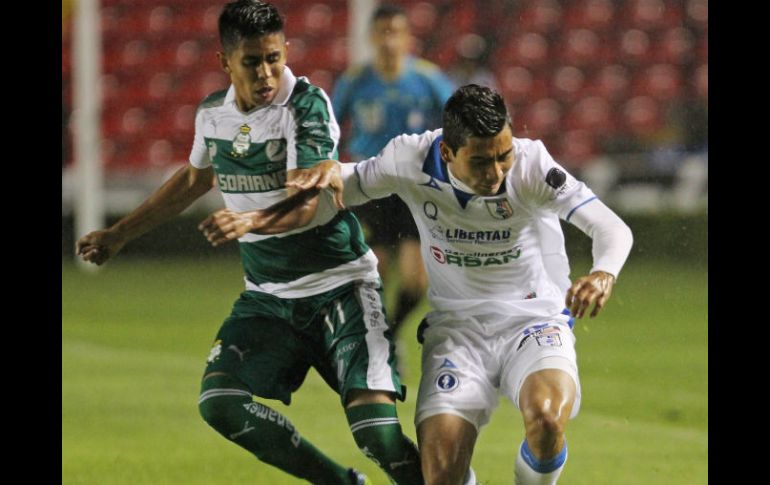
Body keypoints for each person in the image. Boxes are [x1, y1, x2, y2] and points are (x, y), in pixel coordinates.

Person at [203, 84, 633, 484]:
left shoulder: (533, 165)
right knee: (439, 474)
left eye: (503, 155)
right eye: (482, 161)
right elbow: (346, 186)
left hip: (533, 320)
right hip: (457, 330)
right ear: (447, 151)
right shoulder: (409, 160)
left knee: (546, 420)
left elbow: (611, 229)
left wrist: (603, 272)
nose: (498, 171)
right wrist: (264, 215)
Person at [75, 2, 424, 484]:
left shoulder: (306, 104)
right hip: (269, 298)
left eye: (274, 58)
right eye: (252, 61)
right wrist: (119, 235)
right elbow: (192, 181)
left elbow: (310, 196)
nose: (266, 72)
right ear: (225, 61)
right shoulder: (212, 115)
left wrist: (251, 221)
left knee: (377, 438)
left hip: (341, 286)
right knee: (220, 403)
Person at [331, 4, 455, 333]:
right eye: (383, 32)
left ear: (407, 38)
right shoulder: (355, 81)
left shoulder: (427, 79)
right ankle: (369, 335)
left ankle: (390, 332)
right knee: (375, 270)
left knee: (416, 279)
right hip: (369, 185)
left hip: (414, 186)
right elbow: (329, 127)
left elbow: (458, 118)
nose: (389, 40)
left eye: (395, 32)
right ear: (372, 36)